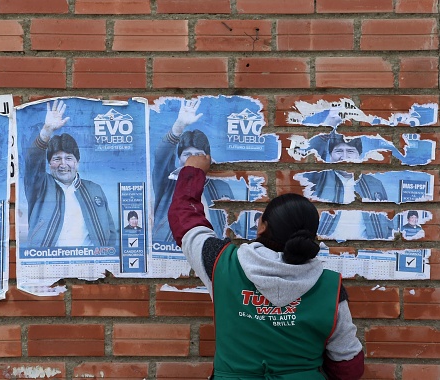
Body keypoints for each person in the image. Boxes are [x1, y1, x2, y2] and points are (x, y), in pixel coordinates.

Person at [168, 154, 364, 380]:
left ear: (262, 226)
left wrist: (192, 172)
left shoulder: (221, 264)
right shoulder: (330, 288)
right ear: (312, 236)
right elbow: (349, 367)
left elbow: (186, 223)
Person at [24, 99, 116, 247]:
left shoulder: (95, 189)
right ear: (49, 163)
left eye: (68, 158)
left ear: (77, 162)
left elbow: (111, 233)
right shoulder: (40, 186)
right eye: (57, 159)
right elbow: (32, 163)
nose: (63, 164)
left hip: (89, 265)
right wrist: (46, 131)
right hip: (48, 264)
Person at [153, 99, 234, 242]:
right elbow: (160, 157)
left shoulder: (222, 187)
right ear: (179, 159)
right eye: (187, 155)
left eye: (198, 155)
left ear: (208, 158)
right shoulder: (168, 182)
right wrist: (179, 126)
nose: (193, 159)